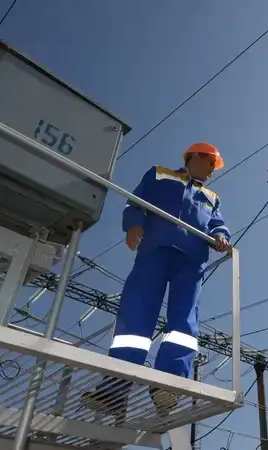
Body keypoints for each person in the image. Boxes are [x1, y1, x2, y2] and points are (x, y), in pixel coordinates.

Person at [81, 142, 232, 419]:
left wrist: (222, 236)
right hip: (155, 250)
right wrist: (133, 224)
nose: (212, 172)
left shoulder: (212, 196)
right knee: (136, 316)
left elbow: (217, 224)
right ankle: (114, 391)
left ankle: (168, 385)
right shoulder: (160, 174)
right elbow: (137, 201)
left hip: (192, 259)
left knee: (183, 322)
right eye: (211, 163)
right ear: (195, 157)